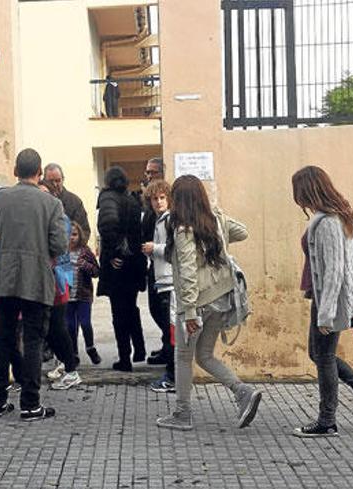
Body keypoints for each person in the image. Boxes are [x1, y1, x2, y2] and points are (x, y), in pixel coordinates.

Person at [156, 175, 262, 431]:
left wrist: (190, 312)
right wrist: (217, 214)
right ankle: (242, 391)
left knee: (183, 356)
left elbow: (189, 271)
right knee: (203, 355)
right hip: (220, 299)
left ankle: (182, 414)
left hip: (197, 305)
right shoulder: (212, 221)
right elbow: (242, 231)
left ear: (178, 200)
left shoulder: (183, 230)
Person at [290, 166, 353, 438]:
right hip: (325, 296)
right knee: (319, 354)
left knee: (323, 357)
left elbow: (333, 270)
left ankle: (327, 420)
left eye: (298, 192)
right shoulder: (342, 214)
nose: (297, 198)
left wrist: (326, 314)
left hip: (328, 299)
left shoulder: (328, 221)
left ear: (308, 190)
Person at [0, 148, 68, 421]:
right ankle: (30, 404)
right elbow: (60, 245)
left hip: (3, 279)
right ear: (39, 173)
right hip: (36, 280)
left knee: (2, 338)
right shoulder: (51, 204)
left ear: (15, 171)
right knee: (33, 340)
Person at [96, 166, 148, 371]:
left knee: (119, 312)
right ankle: (140, 348)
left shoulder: (108, 198)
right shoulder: (132, 199)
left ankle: (125, 358)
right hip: (135, 263)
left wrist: (115, 253)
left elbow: (108, 224)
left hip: (119, 267)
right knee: (131, 307)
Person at [38, 180, 83, 391]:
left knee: (57, 327)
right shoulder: (43, 217)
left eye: (45, 193)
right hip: (46, 279)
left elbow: (58, 247)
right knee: (50, 329)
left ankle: (71, 369)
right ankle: (65, 366)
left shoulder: (59, 218)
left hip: (57, 279)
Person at [141, 180, 175, 392]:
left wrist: (155, 248)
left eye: (162, 198)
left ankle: (172, 376)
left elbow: (175, 249)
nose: (159, 202)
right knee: (163, 322)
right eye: (155, 198)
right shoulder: (157, 220)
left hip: (169, 281)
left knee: (171, 331)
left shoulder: (170, 220)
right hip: (160, 278)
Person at [66, 220, 101, 365]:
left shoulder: (85, 251)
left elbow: (96, 271)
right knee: (70, 326)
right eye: (68, 234)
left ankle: (90, 347)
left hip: (83, 295)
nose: (71, 238)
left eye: (74, 234)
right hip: (67, 297)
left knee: (85, 323)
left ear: (79, 236)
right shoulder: (62, 252)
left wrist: (85, 265)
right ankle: (73, 353)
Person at [44, 163, 91, 239]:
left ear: (63, 179)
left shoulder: (75, 202)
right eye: (50, 181)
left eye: (58, 181)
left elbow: (84, 231)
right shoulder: (40, 202)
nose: (55, 184)